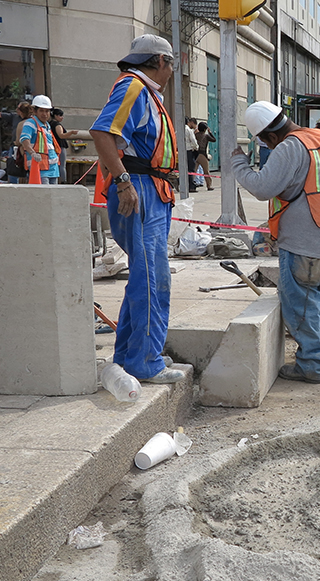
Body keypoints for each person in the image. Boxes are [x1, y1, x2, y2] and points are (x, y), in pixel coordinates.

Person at [231, 101, 320, 383]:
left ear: (271, 136)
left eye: (266, 143)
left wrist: (239, 163)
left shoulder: (289, 147)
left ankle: (311, 365)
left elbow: (263, 188)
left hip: (304, 243)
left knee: (301, 305)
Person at [89, 34, 184, 383]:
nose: (172, 71)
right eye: (172, 64)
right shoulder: (133, 87)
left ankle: (134, 354)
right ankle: (144, 361)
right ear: (159, 61)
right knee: (151, 280)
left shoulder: (145, 92)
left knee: (146, 279)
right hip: (141, 188)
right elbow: (102, 133)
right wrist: (123, 180)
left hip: (152, 189)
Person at [19, 95, 61, 184]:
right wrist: (32, 153)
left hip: (52, 169)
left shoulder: (47, 125)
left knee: (53, 192)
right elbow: (24, 139)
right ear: (35, 111)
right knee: (44, 192)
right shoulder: (30, 123)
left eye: (47, 111)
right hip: (39, 168)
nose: (45, 114)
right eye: (41, 110)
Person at [49, 108, 80, 183]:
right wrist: (71, 132)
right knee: (62, 165)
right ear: (55, 116)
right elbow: (61, 135)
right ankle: (63, 180)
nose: (62, 117)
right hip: (59, 146)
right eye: (60, 116)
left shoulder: (49, 124)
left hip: (53, 145)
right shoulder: (57, 125)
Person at [195, 122, 216, 191]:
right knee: (206, 171)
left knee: (194, 171)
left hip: (195, 154)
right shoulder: (206, 136)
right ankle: (209, 185)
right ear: (205, 129)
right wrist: (210, 132)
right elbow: (214, 139)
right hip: (202, 154)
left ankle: (191, 184)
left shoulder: (196, 135)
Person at [184, 117, 199, 190]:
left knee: (184, 168)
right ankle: (191, 186)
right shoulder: (188, 130)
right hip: (189, 151)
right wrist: (196, 148)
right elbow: (193, 141)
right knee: (191, 169)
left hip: (182, 151)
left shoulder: (180, 130)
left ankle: (183, 183)